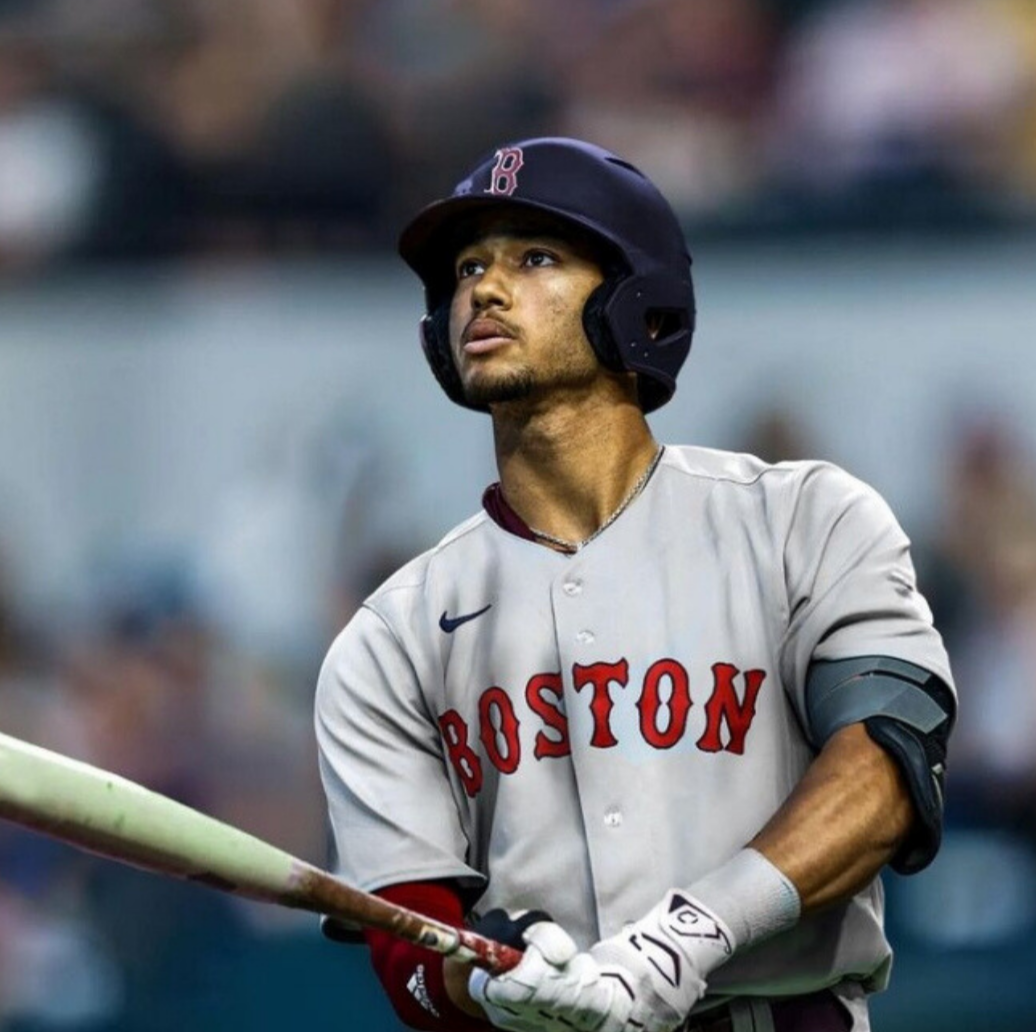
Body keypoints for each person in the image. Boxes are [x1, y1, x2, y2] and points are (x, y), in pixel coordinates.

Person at [314, 137, 956, 1032]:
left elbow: (887, 774)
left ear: (638, 303)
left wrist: (683, 941)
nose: (484, 291)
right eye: (467, 268)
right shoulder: (388, 638)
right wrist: (492, 982)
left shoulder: (804, 521)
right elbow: (409, 941)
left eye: (536, 258)